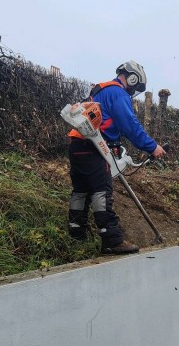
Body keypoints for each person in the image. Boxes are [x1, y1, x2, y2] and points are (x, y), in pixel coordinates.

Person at [67, 60, 166, 254]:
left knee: (81, 191)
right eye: (135, 87)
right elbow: (130, 125)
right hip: (95, 147)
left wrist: (115, 144)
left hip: (77, 145)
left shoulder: (100, 90)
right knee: (101, 191)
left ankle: (76, 234)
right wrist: (152, 147)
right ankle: (112, 240)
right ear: (132, 77)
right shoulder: (118, 93)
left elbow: (106, 122)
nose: (132, 92)